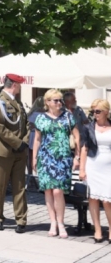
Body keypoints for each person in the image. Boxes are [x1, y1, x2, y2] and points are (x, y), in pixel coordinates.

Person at [32, 89, 81, 239]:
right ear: (47, 102)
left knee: (58, 191)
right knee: (48, 191)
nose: (59, 103)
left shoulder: (68, 116)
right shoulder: (40, 118)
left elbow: (77, 137)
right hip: (46, 158)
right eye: (55, 100)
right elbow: (37, 139)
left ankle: (61, 223)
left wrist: (77, 157)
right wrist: (34, 158)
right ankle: (52, 222)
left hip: (63, 158)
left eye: (60, 100)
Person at [0, 73, 29, 233]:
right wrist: (17, 142)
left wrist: (24, 142)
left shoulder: (17, 103)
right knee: (0, 186)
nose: (20, 88)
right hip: (3, 150)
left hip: (19, 151)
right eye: (19, 85)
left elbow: (25, 124)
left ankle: (21, 219)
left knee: (19, 187)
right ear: (14, 85)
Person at [80, 99, 111, 244]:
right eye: (93, 111)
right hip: (93, 165)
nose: (95, 114)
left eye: (98, 111)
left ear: (106, 111)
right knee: (93, 198)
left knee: (107, 201)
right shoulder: (88, 127)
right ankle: (97, 229)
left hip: (108, 167)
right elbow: (84, 148)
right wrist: (82, 168)